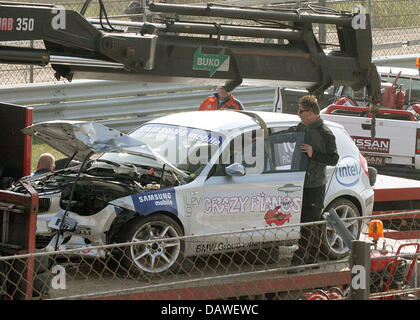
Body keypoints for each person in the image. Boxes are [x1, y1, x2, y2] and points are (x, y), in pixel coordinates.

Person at [277, 95, 339, 270]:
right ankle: (312, 258)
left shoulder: (325, 133)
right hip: (300, 183)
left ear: (311, 113)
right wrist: (264, 136)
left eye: (301, 111)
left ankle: (300, 259)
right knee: (312, 222)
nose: (298, 114)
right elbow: (288, 134)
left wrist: (314, 154)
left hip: (315, 185)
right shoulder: (302, 127)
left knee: (308, 222)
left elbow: (334, 158)